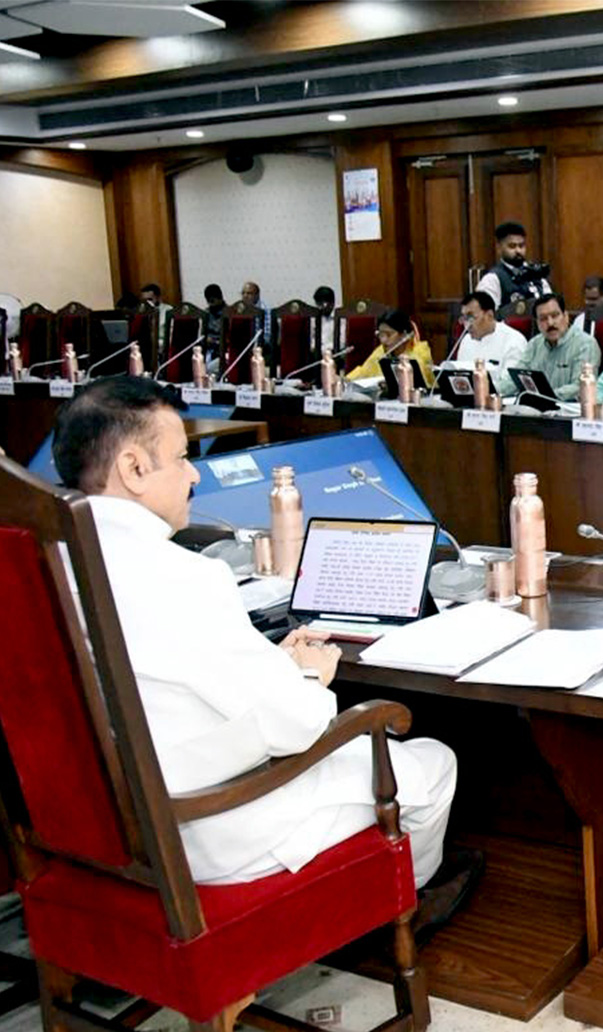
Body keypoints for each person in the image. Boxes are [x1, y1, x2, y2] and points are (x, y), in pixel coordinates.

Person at [48, 376, 480, 918]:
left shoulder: (48, 561)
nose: (193, 476)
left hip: (95, 821)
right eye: (182, 458)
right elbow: (298, 727)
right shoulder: (179, 575)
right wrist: (309, 676)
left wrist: (273, 667)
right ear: (134, 468)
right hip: (212, 826)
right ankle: (392, 907)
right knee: (431, 763)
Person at [509, 291, 601, 401]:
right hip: (538, 409)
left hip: (569, 412)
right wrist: (492, 391)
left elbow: (580, 387)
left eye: (555, 315)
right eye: (543, 319)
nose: (550, 323)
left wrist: (544, 395)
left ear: (566, 316)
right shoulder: (534, 344)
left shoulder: (586, 344)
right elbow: (515, 379)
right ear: (537, 323)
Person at [441, 290, 527, 397]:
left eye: (471, 317)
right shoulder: (466, 340)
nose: (466, 325)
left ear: (490, 316)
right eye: (464, 318)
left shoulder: (514, 340)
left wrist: (480, 389)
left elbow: (510, 385)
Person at [346, 308, 436, 390]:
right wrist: (344, 380)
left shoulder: (420, 351)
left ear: (404, 335)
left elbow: (419, 382)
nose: (383, 340)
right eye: (380, 334)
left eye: (388, 334)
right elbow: (363, 372)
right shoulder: (381, 351)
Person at [478, 220, 552, 308]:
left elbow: (551, 306)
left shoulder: (536, 274)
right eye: (512, 246)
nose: (518, 251)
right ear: (499, 248)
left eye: (521, 246)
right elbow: (486, 316)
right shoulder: (492, 279)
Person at [138, 282, 172, 362]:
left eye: (150, 299)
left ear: (158, 298)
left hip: (162, 346)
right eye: (144, 300)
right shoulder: (141, 313)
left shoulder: (168, 311)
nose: (147, 303)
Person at [312, 285, 338, 357]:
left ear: (332, 303)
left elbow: (341, 342)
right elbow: (311, 338)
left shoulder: (340, 318)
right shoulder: (315, 317)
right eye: (318, 304)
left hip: (333, 354)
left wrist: (323, 350)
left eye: (323, 304)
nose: (320, 307)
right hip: (314, 354)